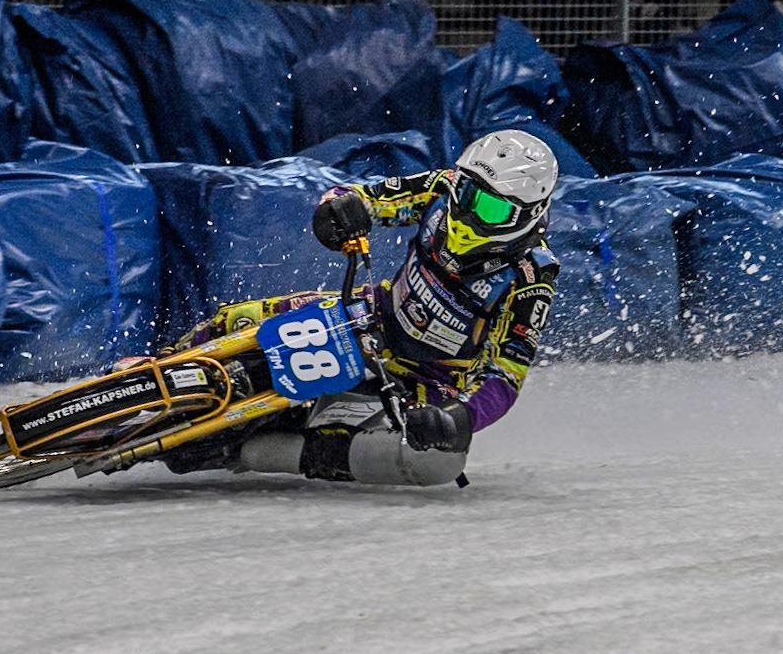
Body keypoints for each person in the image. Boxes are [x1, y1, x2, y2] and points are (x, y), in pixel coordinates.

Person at [160, 130, 562, 487]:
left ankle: (267, 451)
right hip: (371, 315)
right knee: (242, 317)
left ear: (528, 215)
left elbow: (506, 376)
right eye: (466, 192)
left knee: (436, 464)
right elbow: (363, 198)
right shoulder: (442, 188)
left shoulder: (531, 277)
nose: (466, 211)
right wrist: (338, 209)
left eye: (490, 209)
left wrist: (459, 419)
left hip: (428, 379)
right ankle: (158, 365)